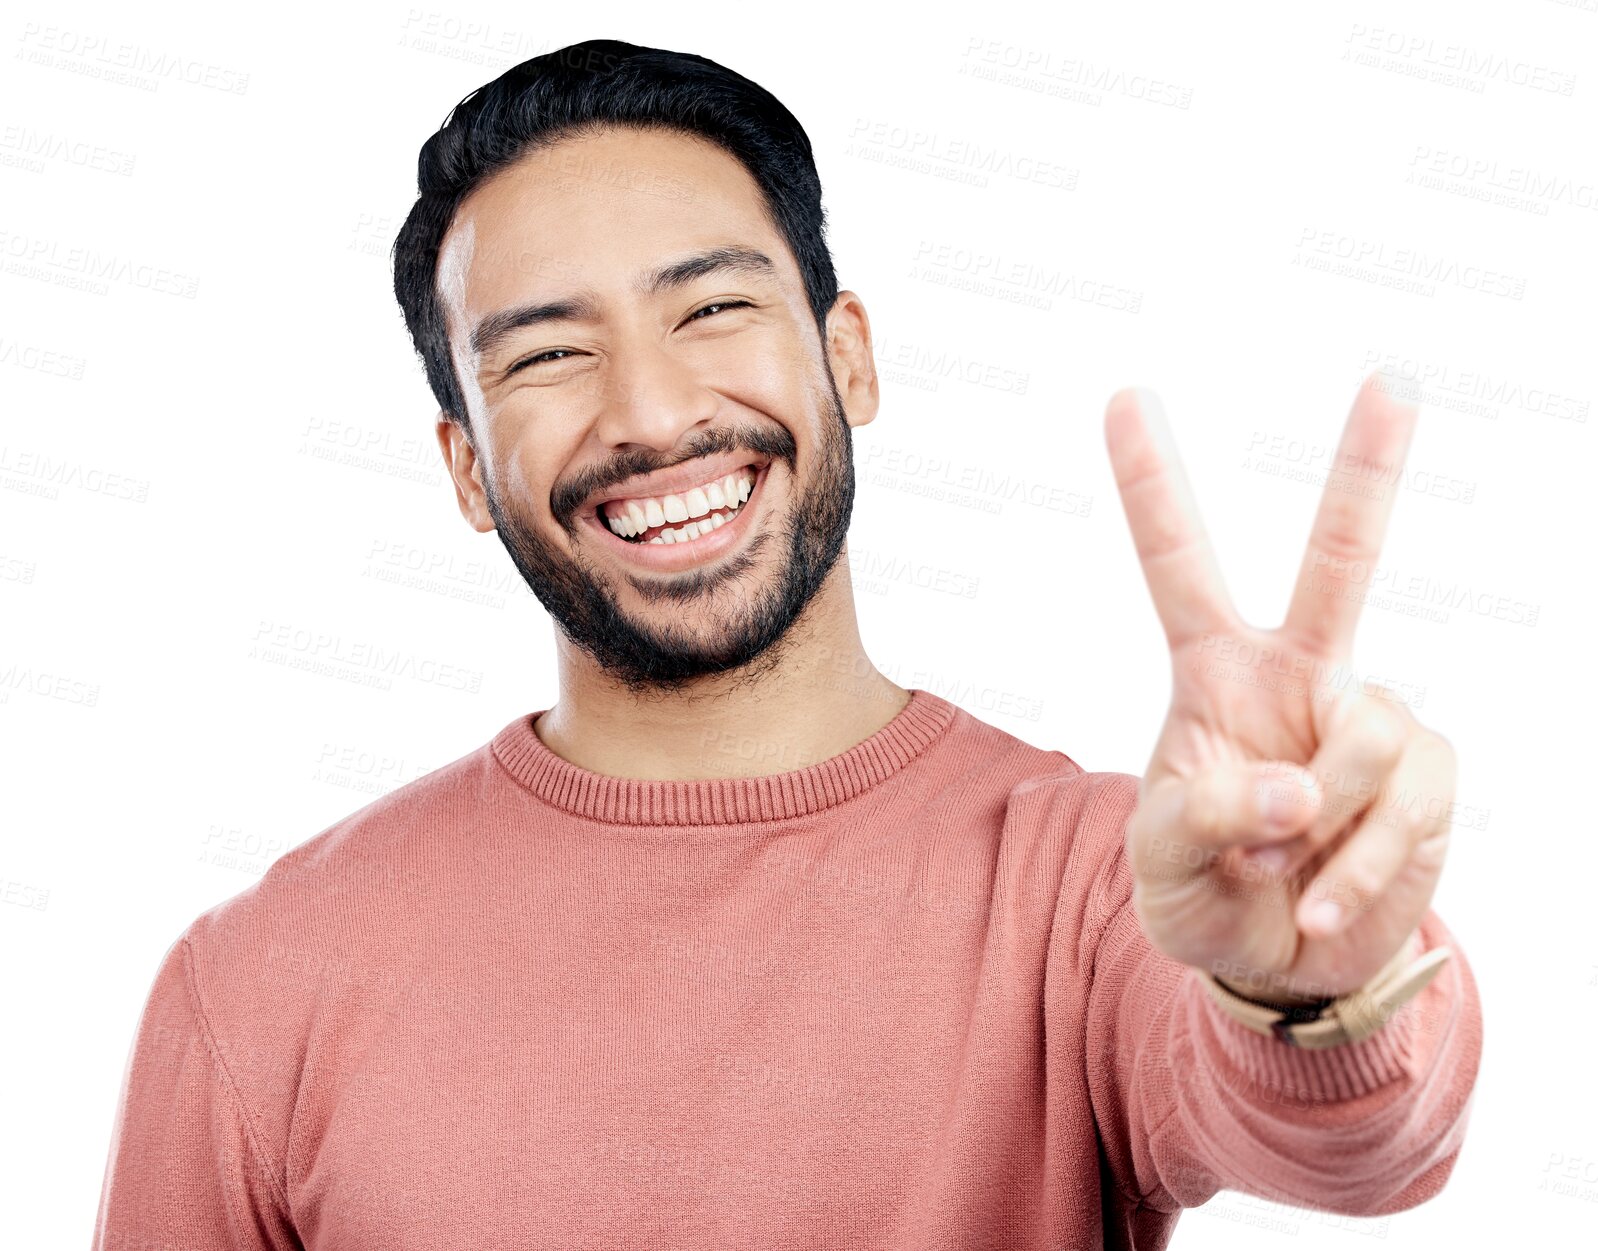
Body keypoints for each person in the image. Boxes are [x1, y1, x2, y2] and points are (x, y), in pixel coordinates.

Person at [91, 39, 1480, 1249]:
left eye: (712, 307)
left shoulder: (1095, 889)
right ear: (464, 468)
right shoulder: (262, 976)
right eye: (547, 354)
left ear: (849, 358)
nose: (648, 409)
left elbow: (1358, 1149)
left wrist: (1314, 985)